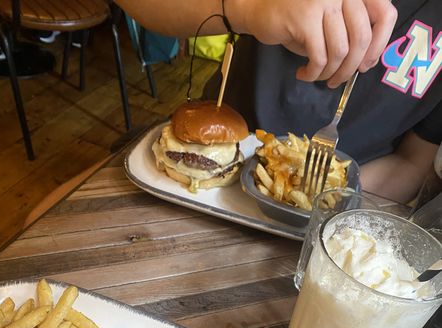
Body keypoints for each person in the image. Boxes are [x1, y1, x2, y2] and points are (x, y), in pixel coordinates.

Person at [116, 0, 441, 204]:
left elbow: (414, 161)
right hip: (205, 188)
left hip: (337, 224)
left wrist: (322, 207)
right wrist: (249, 8)